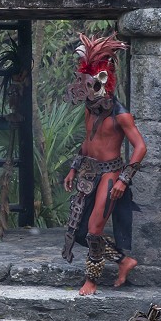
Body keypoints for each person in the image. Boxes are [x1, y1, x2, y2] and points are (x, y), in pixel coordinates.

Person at [62, 34, 147, 296]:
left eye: (89, 85)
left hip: (110, 174)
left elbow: (141, 147)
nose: (84, 91)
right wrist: (74, 168)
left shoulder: (121, 114)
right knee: (77, 231)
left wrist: (124, 179)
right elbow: (88, 143)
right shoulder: (89, 109)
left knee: (95, 228)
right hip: (88, 172)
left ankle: (92, 280)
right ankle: (124, 261)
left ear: (101, 83)